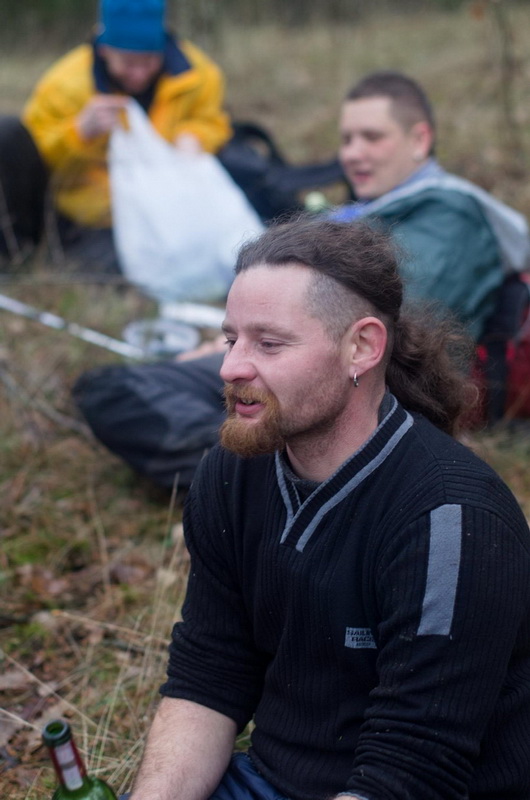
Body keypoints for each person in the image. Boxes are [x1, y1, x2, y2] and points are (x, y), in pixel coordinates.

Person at [125, 217, 530, 800]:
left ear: (361, 347)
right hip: (270, 780)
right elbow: (209, 677)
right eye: (231, 339)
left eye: (269, 343)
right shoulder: (231, 473)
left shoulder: (453, 521)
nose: (231, 367)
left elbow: (412, 771)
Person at [73, 70, 530, 487]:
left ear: (419, 139)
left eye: (372, 137)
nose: (352, 153)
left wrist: (259, 341)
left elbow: (400, 321)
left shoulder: (449, 215)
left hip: (345, 381)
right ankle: (266, 466)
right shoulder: (374, 210)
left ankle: (258, 475)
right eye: (346, 139)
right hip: (296, 360)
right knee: (114, 390)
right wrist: (243, 337)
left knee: (117, 394)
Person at [0, 0, 232, 272]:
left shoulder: (197, 74)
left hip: (171, 204)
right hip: (92, 211)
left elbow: (213, 121)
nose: (139, 74)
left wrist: (195, 137)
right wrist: (79, 133)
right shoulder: (64, 85)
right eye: (128, 63)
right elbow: (33, 162)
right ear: (104, 49)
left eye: (149, 60)